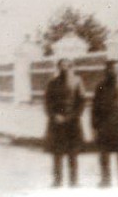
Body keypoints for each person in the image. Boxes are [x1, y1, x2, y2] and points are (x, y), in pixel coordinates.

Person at [91, 59, 118, 188]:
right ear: (107, 70)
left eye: (117, 68)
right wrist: (94, 127)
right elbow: (95, 108)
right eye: (111, 69)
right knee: (104, 156)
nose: (114, 71)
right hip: (104, 127)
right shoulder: (100, 86)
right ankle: (105, 180)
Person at [44, 59, 85, 188]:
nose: (64, 68)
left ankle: (74, 181)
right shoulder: (52, 83)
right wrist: (54, 115)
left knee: (73, 153)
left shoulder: (77, 81)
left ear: (71, 67)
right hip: (56, 123)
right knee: (57, 153)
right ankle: (57, 181)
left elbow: (81, 102)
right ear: (58, 68)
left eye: (67, 66)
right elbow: (47, 102)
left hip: (72, 123)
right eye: (61, 66)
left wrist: (71, 117)